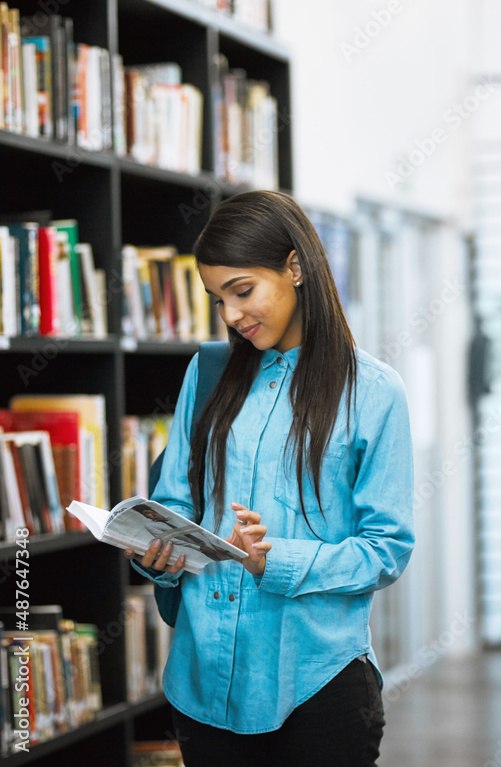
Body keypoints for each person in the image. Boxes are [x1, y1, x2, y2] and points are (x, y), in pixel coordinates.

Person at [123, 190, 415, 767]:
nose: (231, 315)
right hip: (202, 685)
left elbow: (387, 549)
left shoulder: (374, 392)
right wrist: (152, 551)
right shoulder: (207, 372)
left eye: (243, 291)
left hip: (317, 689)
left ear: (295, 267)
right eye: (218, 299)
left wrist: (271, 560)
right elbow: (175, 501)